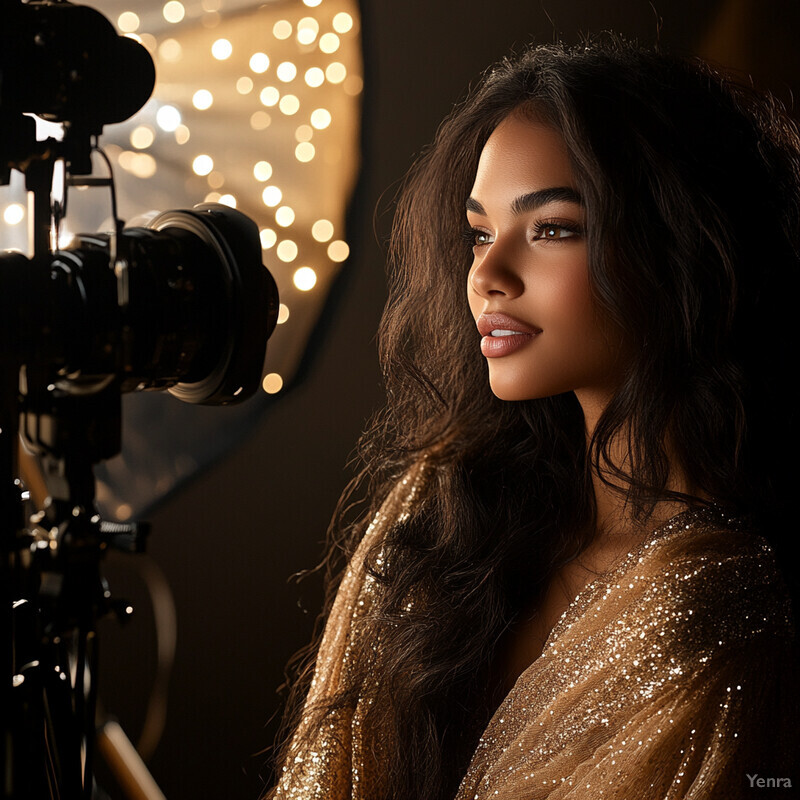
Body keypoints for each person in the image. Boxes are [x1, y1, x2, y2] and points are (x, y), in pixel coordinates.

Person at [268, 36, 799, 799]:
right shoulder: (443, 507)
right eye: (480, 233)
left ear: (678, 247)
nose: (486, 274)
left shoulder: (716, 605)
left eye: (551, 229)